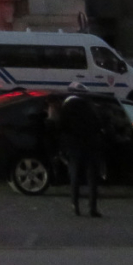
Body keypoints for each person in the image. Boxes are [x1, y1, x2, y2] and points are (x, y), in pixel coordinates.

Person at [53, 87, 107, 217]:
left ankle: (75, 205)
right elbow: (98, 125)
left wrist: (62, 147)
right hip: (90, 145)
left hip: (74, 147)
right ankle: (92, 207)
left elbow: (60, 128)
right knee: (92, 177)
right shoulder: (89, 107)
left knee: (75, 175)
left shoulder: (66, 108)